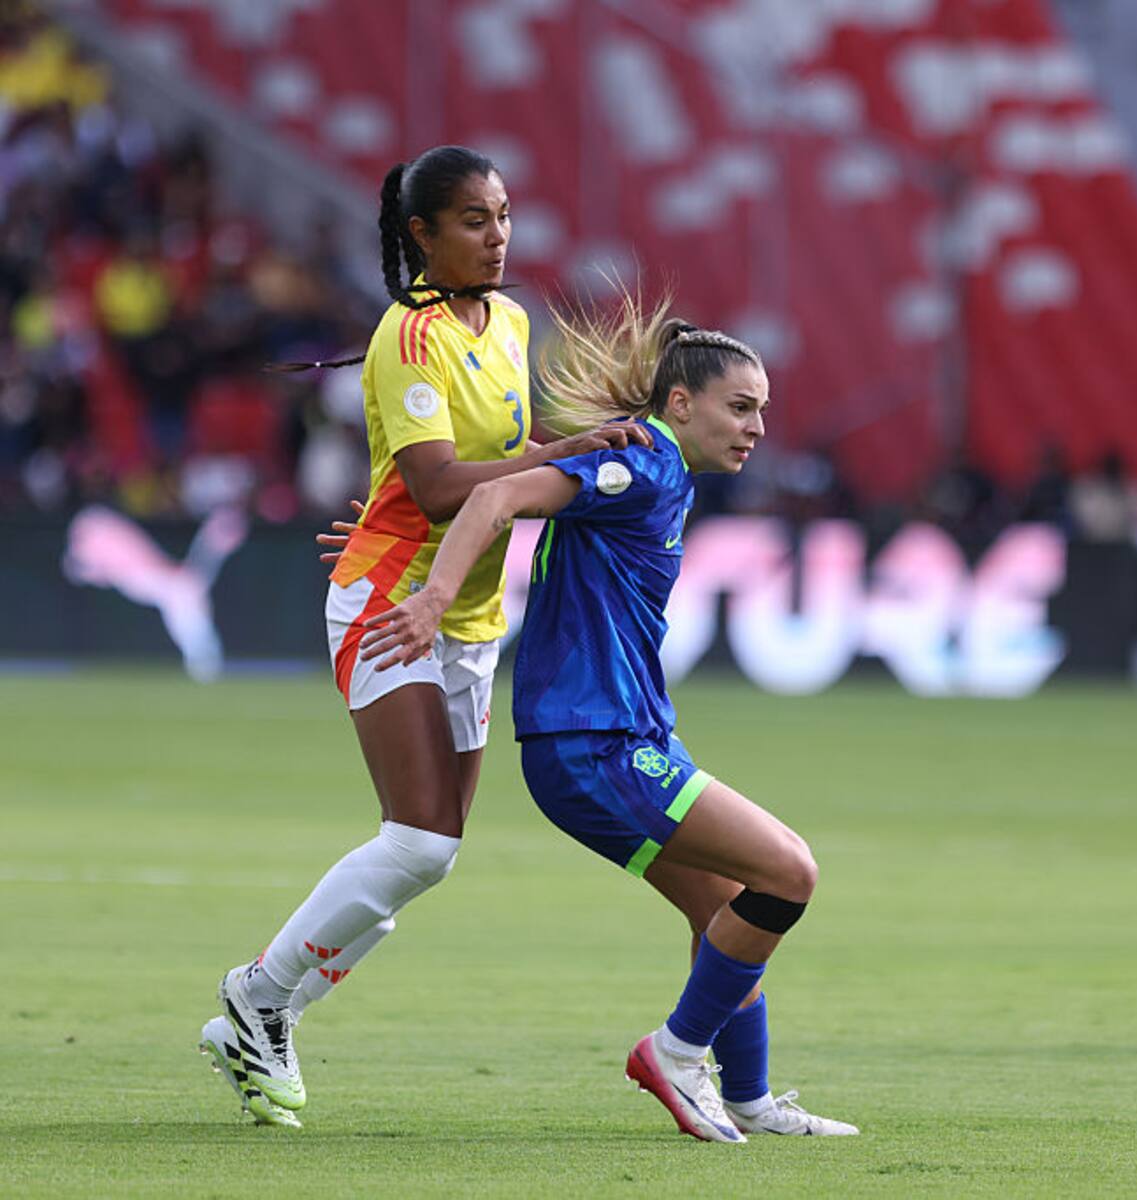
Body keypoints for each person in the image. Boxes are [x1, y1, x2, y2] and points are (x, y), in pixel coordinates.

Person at [198, 145, 649, 1127]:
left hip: (471, 615)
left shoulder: (509, 321)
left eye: (504, 215)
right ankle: (257, 999)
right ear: (422, 234)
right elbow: (443, 486)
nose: (498, 236)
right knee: (417, 837)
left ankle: (265, 1009)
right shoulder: (407, 338)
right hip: (390, 601)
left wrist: (563, 459)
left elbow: (491, 466)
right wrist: (570, 452)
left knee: (430, 854)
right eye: (474, 220)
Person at [359, 293, 859, 1142]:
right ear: (680, 403)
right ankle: (676, 1052)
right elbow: (493, 497)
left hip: (617, 737)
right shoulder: (644, 465)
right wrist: (435, 597)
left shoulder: (660, 473)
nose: (756, 429)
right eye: (740, 407)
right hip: (595, 744)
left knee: (725, 910)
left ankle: (747, 1097)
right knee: (789, 873)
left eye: (762, 411)